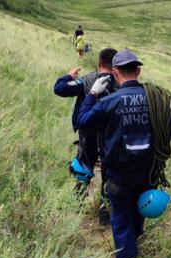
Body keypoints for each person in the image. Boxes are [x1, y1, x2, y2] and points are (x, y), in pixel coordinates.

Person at [78, 50, 171, 258]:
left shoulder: (108, 102)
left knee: (122, 222)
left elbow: (84, 121)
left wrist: (93, 92)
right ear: (138, 71)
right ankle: (131, 248)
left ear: (115, 73)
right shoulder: (156, 100)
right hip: (149, 176)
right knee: (135, 220)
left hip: (118, 177)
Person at [53, 48, 119, 225]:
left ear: (99, 64)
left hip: (87, 135)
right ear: (115, 66)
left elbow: (59, 89)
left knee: (83, 169)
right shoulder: (120, 84)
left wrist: (68, 76)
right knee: (109, 175)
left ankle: (77, 207)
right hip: (110, 138)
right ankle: (105, 215)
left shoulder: (87, 80)